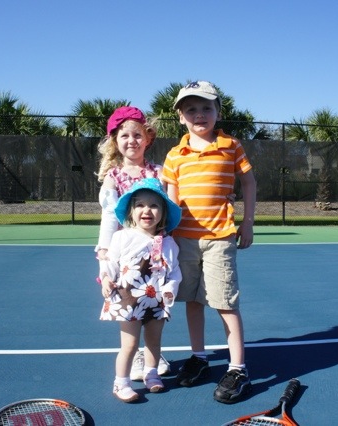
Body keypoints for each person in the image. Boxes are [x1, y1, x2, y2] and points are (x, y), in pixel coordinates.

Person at [161, 80, 257, 404]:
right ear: (180, 117)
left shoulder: (231, 146)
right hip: (183, 240)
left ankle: (238, 368)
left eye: (206, 107)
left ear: (218, 112)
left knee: (225, 303)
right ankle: (199, 357)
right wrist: (166, 235)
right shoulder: (174, 155)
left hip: (219, 239)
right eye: (191, 109)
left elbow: (248, 182)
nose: (199, 114)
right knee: (192, 300)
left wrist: (247, 222)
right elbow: (171, 200)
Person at [96, 106, 171, 380]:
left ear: (147, 138)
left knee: (154, 304)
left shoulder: (158, 172)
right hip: (126, 256)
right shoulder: (113, 176)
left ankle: (150, 354)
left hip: (154, 254)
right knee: (130, 304)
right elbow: (109, 217)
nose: (132, 141)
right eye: (125, 135)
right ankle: (134, 354)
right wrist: (105, 256)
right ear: (115, 140)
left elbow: (174, 204)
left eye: (137, 135)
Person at [98, 177, 182, 402]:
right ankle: (121, 382)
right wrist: (106, 279)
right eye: (140, 205)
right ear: (131, 211)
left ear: (163, 213)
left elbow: (174, 272)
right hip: (128, 298)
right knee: (130, 344)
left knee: (154, 342)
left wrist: (170, 289)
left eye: (154, 205)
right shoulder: (122, 237)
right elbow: (110, 263)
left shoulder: (169, 243)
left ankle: (151, 374)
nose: (147, 210)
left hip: (156, 300)